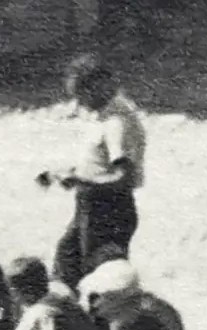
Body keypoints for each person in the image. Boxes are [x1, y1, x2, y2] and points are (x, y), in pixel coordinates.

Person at [36, 54, 148, 290]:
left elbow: (124, 177)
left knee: (98, 280)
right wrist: (67, 173)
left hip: (108, 210)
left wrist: (81, 181)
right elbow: (99, 164)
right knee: (66, 264)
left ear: (98, 86)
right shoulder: (105, 116)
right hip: (90, 207)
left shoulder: (117, 122)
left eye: (81, 95)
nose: (79, 104)